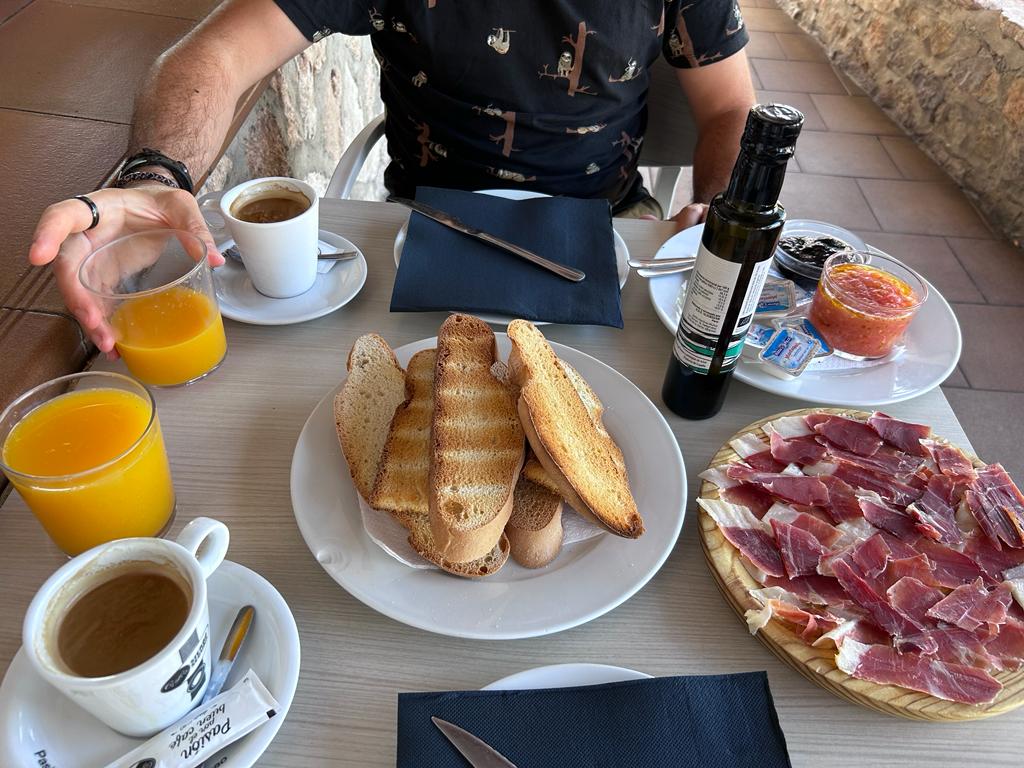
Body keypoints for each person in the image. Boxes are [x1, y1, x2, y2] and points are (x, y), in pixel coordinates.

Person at [29, 0, 754, 353]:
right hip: (418, 234)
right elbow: (210, 57)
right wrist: (155, 177)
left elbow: (729, 107)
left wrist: (720, 206)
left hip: (615, 229)